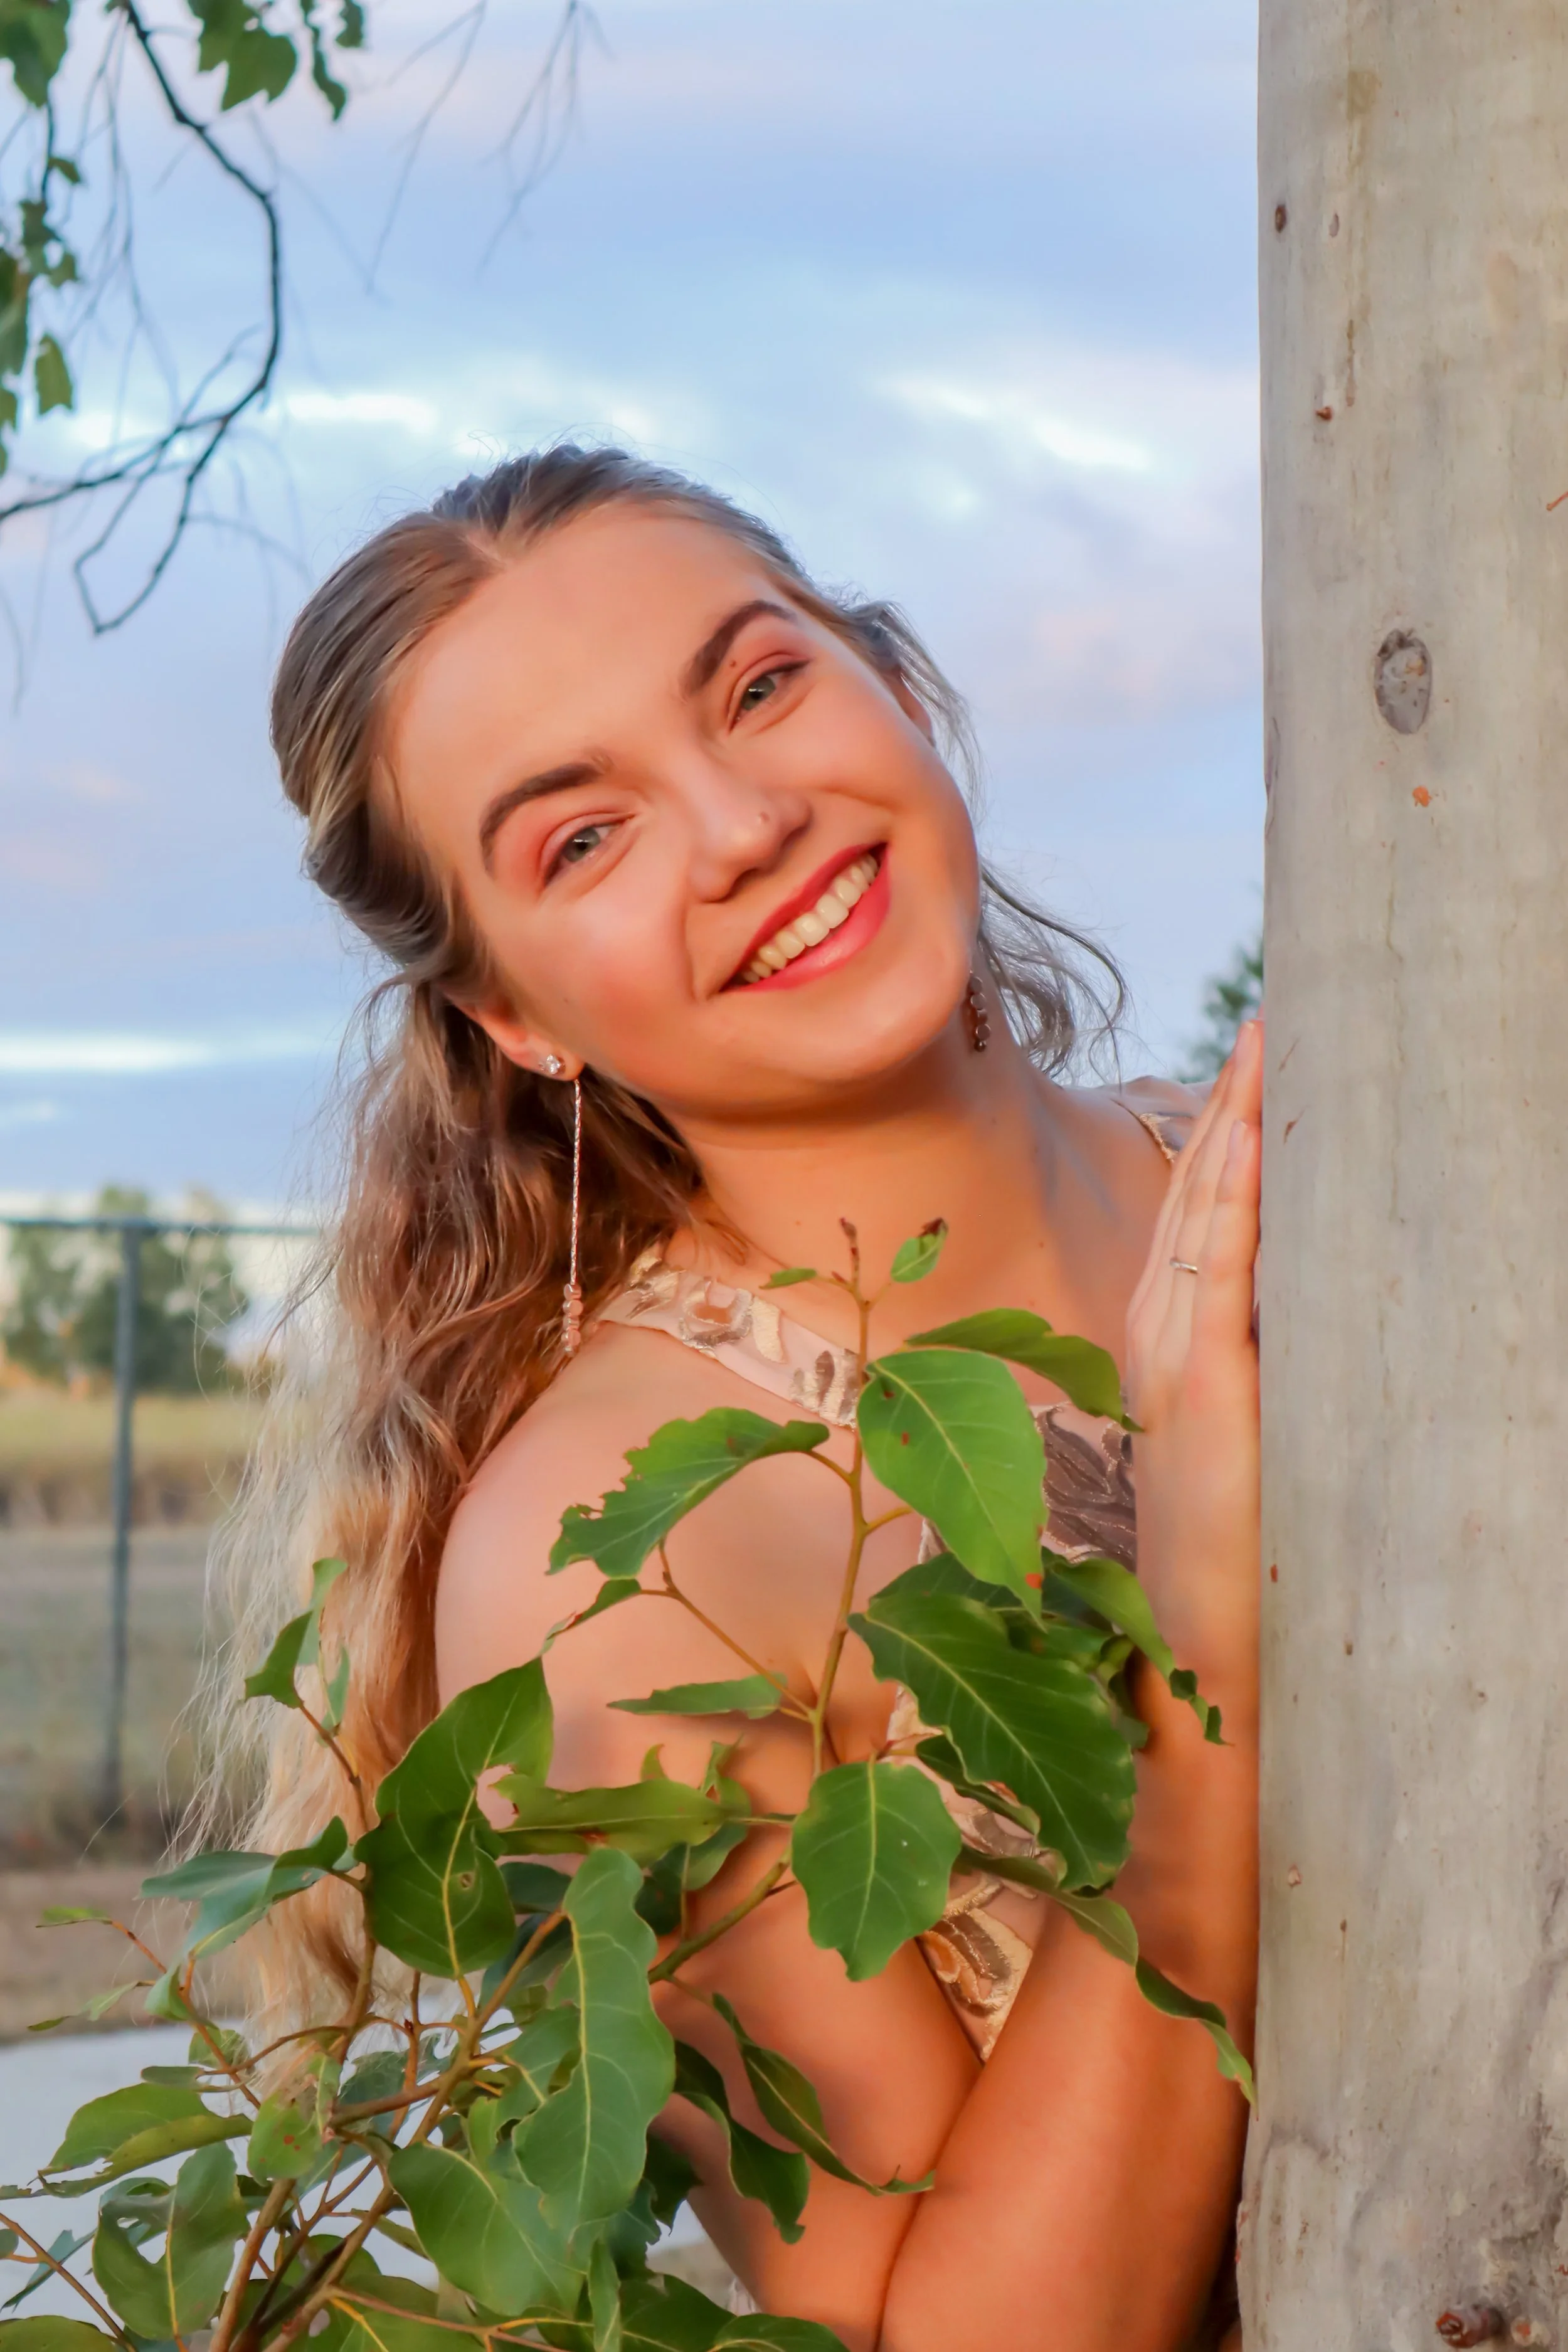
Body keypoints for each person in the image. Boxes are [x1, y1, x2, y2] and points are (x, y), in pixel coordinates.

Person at [231, 445, 1261, 2352]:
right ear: (512, 1019)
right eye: (580, 838)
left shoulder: (1312, 1162)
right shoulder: (618, 1560)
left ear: (897, 685)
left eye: (759, 683)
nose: (739, 820)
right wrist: (1202, 1676)